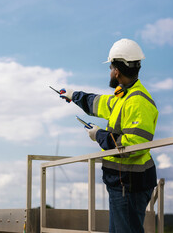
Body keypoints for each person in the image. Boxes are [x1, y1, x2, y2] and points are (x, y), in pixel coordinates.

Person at [59, 38, 158, 233]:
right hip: (123, 183)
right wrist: (73, 95)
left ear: (117, 71)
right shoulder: (125, 96)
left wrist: (99, 135)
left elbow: (131, 147)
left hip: (129, 184)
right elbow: (99, 103)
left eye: (110, 67)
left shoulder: (137, 102)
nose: (110, 71)